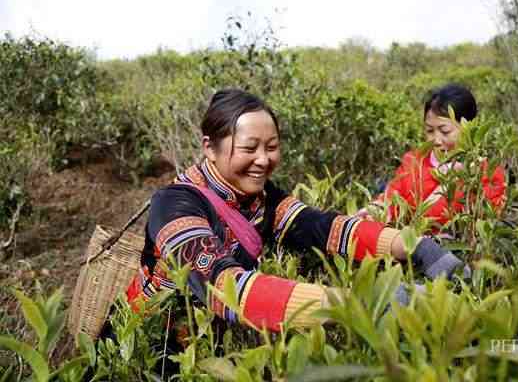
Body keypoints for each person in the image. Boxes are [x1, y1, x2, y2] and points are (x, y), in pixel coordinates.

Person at [125, 88, 468, 336]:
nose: (263, 160)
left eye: (272, 147)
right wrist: (356, 304)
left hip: (216, 339)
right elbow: (223, 286)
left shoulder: (263, 197)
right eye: (249, 148)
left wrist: (416, 246)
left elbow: (323, 227)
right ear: (209, 148)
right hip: (156, 347)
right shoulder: (175, 204)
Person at [359, 83, 506, 229]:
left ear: (468, 127)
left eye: (445, 131)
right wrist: (376, 210)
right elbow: (392, 198)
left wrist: (458, 178)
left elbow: (486, 224)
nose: (435, 140)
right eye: (430, 131)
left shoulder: (486, 173)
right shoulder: (414, 161)